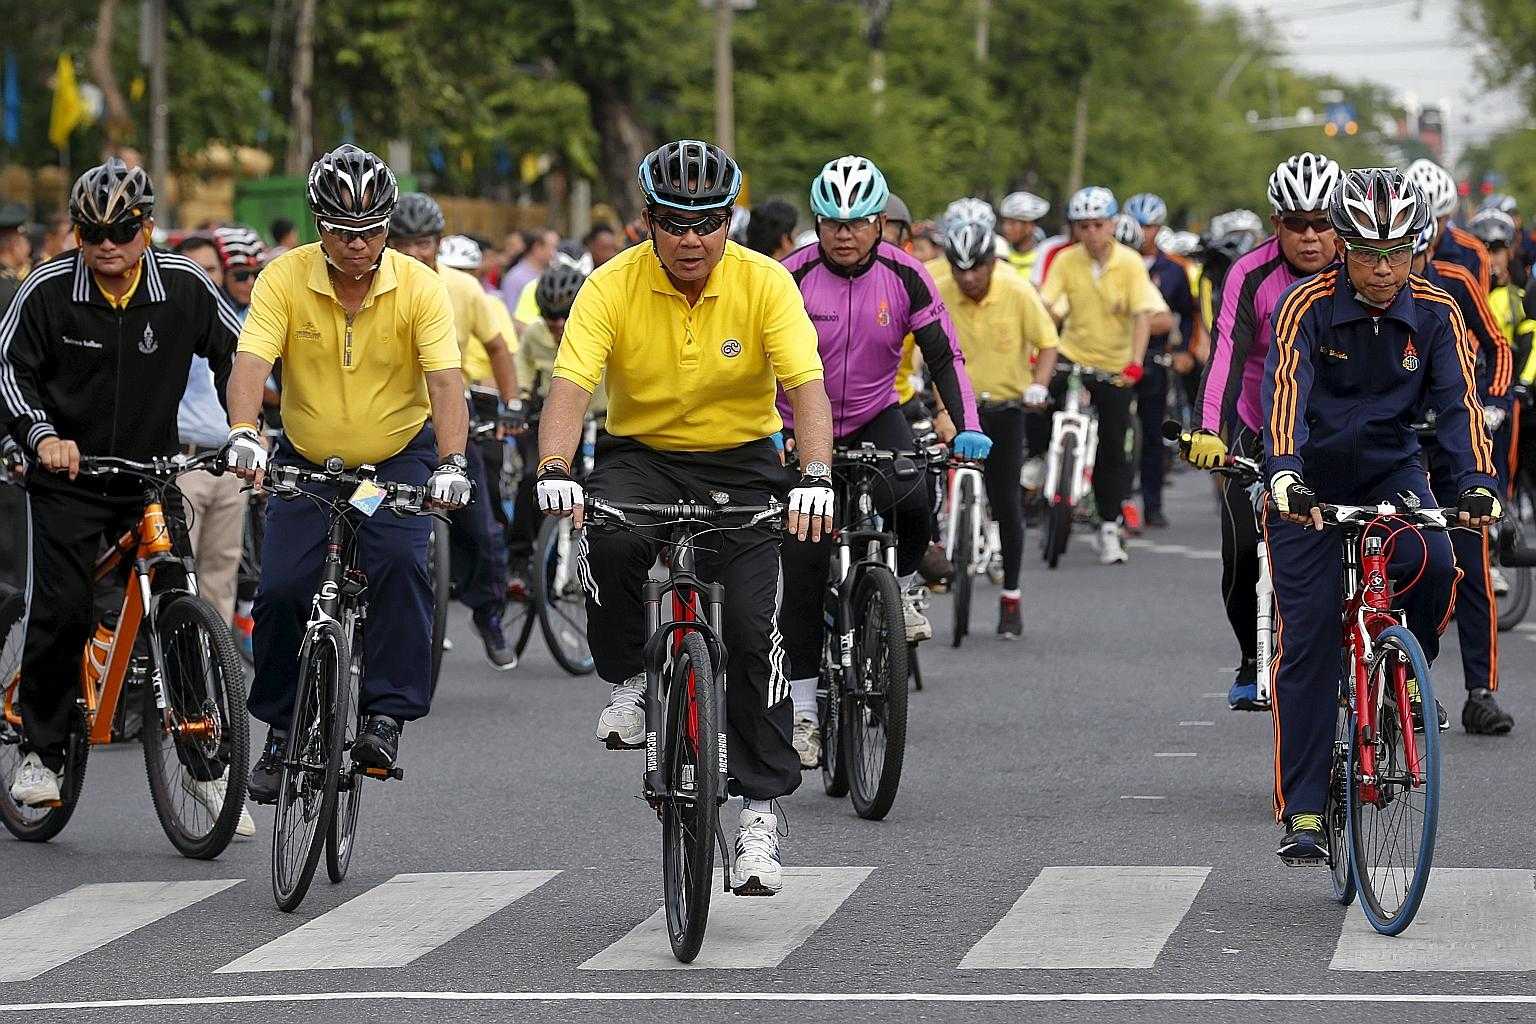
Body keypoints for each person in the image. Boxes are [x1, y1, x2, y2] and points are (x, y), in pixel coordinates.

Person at [535, 139, 833, 896]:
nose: (691, 238)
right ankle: (632, 675)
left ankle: (761, 813)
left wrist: (816, 474)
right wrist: (555, 470)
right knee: (609, 535)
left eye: (707, 221)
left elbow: (805, 386)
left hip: (743, 460)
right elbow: (571, 386)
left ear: (728, 223)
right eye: (674, 221)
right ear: (647, 223)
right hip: (644, 454)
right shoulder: (611, 285)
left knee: (751, 632)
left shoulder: (766, 282)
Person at [1262, 167, 1500, 861]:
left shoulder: (1436, 311)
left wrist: (1477, 482)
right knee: (1305, 640)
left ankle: (1408, 663)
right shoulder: (1304, 306)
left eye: (1399, 251)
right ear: (1341, 247)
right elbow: (1285, 395)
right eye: (1368, 253)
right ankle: (1303, 808)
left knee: (1437, 560)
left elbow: (1458, 410)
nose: (1384, 268)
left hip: (1395, 472)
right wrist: (1282, 475)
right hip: (1308, 483)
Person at [224, 144, 471, 800]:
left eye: (368, 232)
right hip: (307, 459)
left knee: (397, 561)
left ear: (388, 226)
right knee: (279, 589)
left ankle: (385, 716)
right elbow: (251, 361)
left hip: (392, 459)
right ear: (316, 224)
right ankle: (281, 730)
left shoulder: (420, 286)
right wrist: (244, 433)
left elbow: (446, 381)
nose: (355, 245)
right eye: (339, 230)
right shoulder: (284, 277)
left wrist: (451, 462)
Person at [0, 159, 241, 813]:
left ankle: (203, 761)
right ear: (77, 233)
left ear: (148, 227)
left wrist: (246, 429)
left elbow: (239, 354)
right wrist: (41, 435)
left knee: (179, 605)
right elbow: (10, 371)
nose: (108, 245)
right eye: (93, 232)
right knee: (66, 606)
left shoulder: (186, 285)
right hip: (66, 478)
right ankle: (41, 751)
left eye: (123, 230)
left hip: (150, 475)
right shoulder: (48, 289)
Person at [778, 159, 987, 768]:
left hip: (875, 410)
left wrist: (967, 425)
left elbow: (946, 354)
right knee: (805, 558)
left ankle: (907, 586)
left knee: (916, 489)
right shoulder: (789, 275)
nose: (844, 234)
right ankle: (806, 713)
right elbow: (751, 361)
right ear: (817, 223)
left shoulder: (907, 274)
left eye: (859, 222)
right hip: (798, 422)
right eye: (832, 223)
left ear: (881, 223)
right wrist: (768, 430)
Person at [1189, 153, 1341, 709]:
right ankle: (1254, 654)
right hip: (1259, 426)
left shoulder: (1359, 269)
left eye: (1322, 222)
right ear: (1275, 222)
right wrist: (1210, 430)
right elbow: (1225, 355)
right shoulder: (1248, 274)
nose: (1309, 237)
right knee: (1242, 549)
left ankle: (1393, 668)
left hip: (1336, 430)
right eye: (1294, 223)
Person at [388, 192, 523, 669]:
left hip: (448, 423)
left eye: (422, 243)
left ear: (438, 244)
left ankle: (488, 615)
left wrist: (510, 405)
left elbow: (500, 348)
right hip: (387, 430)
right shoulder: (369, 286)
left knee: (482, 529)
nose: (411, 254)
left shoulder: (464, 290)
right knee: (363, 512)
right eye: (400, 243)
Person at [1407, 221, 1517, 735]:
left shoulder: (1452, 287)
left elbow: (1496, 347)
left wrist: (1493, 405)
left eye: (1419, 250)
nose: (1407, 263)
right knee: (1396, 559)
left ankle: (1481, 691)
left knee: (1470, 561)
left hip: (1451, 439)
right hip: (1398, 449)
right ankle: (1397, 681)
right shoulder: (1356, 293)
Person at [936, 203, 1057, 636]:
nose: (967, 278)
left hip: (1005, 406)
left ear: (992, 263)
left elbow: (1047, 344)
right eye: (959, 269)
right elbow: (913, 344)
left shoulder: (1017, 289)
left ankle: (1011, 595)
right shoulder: (935, 286)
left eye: (976, 269)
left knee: (1006, 499)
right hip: (952, 408)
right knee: (926, 482)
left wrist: (1038, 386)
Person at [1037, 186, 1165, 564]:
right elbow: (1050, 305)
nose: (1091, 233)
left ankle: (1109, 525)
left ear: (1112, 223)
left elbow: (1143, 314)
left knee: (1113, 446)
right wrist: (1043, 335)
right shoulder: (1065, 260)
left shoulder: (1129, 263)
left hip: (1114, 365)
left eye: (1098, 224)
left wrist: (1135, 362)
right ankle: (1040, 457)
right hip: (1073, 355)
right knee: (1038, 396)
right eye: (1083, 226)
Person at [1124, 194, 1196, 529]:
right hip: (1116, 355)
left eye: (1150, 226)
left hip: (1155, 356)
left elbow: (1188, 313)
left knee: (1153, 434)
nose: (1143, 232)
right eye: (1138, 225)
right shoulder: (1118, 263)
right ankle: (1115, 503)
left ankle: (1152, 504)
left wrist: (1185, 352)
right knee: (1116, 432)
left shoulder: (1174, 270)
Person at [1406, 158, 1491, 293]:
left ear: (1448, 216)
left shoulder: (1474, 251)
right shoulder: (1394, 249)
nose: (1430, 228)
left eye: (1437, 220)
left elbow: (1479, 306)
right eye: (1422, 220)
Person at [500, 228, 557, 332]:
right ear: (537, 247)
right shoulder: (515, 277)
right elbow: (511, 316)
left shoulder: (551, 273)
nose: (554, 253)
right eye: (552, 247)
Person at [998, 191, 1050, 277]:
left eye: (1012, 223)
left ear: (1030, 226)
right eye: (1004, 222)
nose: (1006, 228)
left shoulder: (1043, 258)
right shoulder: (999, 256)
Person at [0, 203, 30, 310]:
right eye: (25, 240)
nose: (28, 247)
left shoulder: (10, 280)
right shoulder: (7, 288)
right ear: (14, 245)